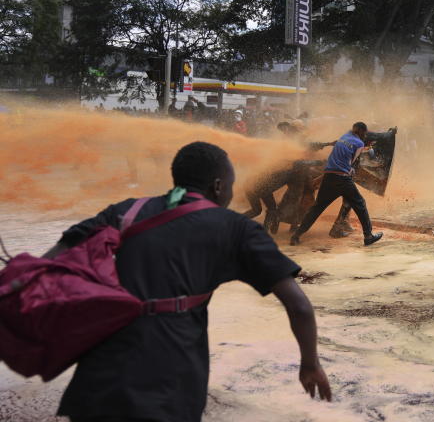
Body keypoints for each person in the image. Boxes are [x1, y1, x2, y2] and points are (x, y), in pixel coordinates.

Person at [42, 142, 332, 421]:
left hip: (99, 375)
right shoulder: (235, 228)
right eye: (230, 186)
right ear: (218, 186)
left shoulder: (125, 211)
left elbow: (49, 265)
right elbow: (299, 307)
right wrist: (310, 364)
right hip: (170, 379)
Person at [289, 122, 384, 246]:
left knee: (317, 208)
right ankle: (368, 236)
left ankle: (296, 236)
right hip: (342, 179)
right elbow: (352, 163)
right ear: (361, 132)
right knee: (360, 204)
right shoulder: (359, 144)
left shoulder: (343, 137)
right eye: (364, 133)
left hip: (329, 177)